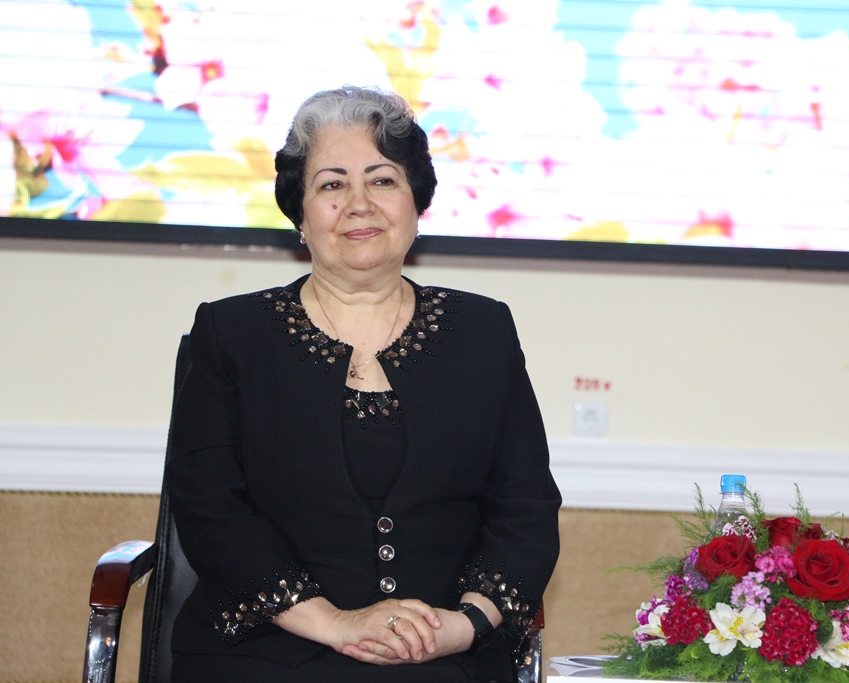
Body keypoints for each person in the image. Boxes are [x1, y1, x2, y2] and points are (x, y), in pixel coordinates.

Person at [166, 86, 561, 682]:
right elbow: (209, 507)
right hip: (269, 649)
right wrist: (333, 622)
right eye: (332, 184)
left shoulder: (483, 331)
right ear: (299, 213)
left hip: (438, 650)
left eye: (382, 180)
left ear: (416, 203)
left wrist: (464, 625)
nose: (359, 204)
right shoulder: (232, 334)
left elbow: (525, 507)